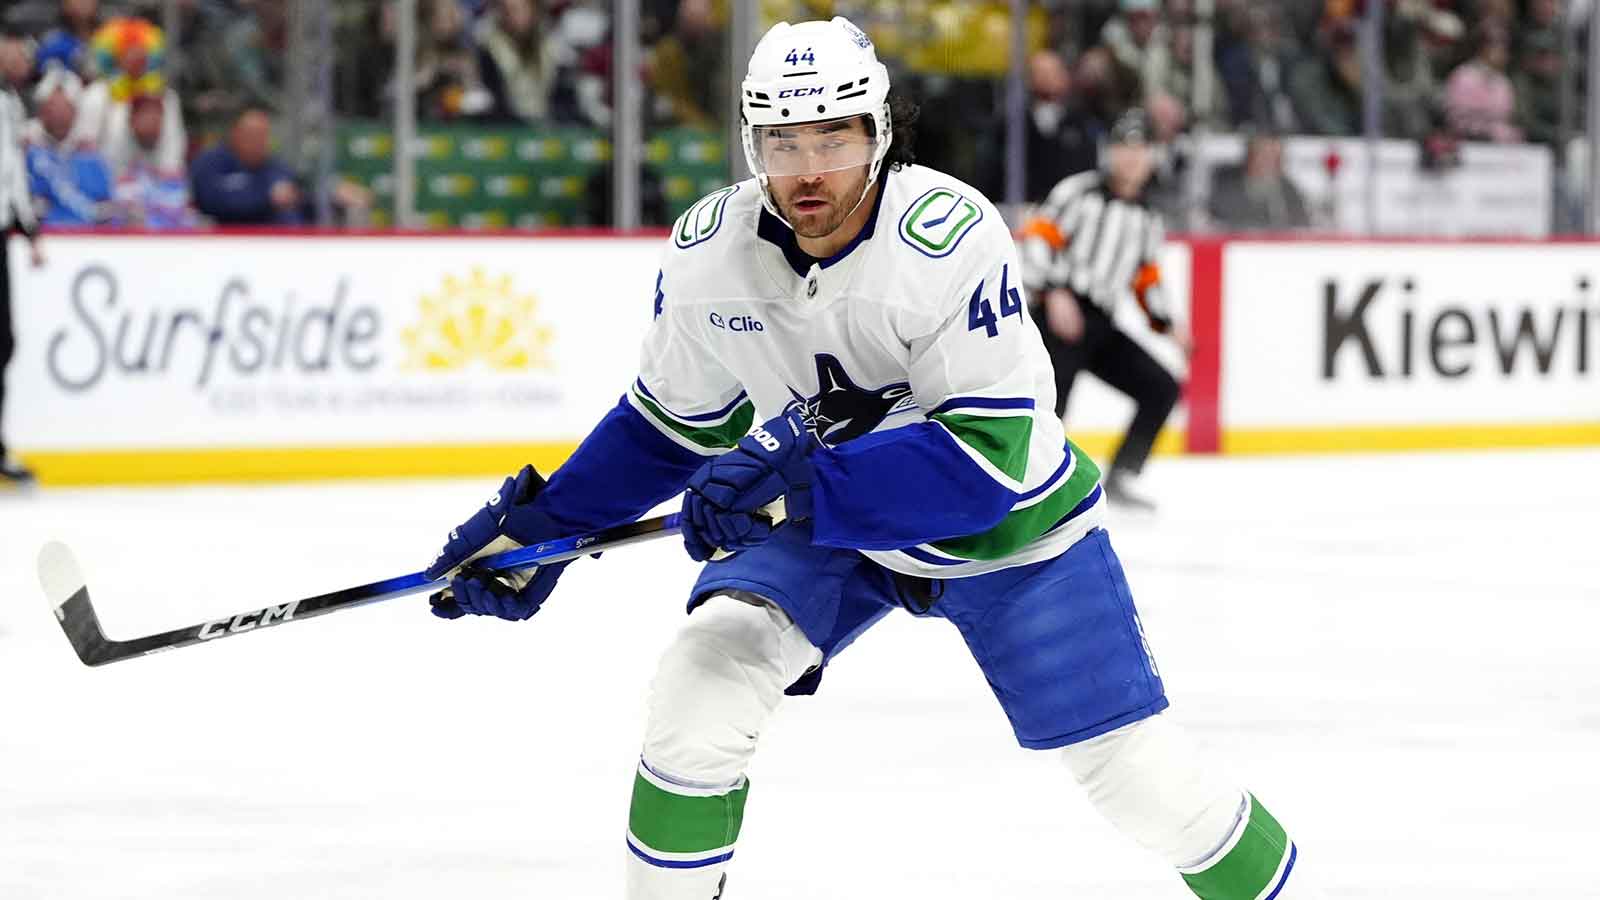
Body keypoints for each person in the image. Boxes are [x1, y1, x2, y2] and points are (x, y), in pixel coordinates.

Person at [424, 18, 1302, 900]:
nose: (807, 170)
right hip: (833, 523)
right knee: (702, 683)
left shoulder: (948, 236)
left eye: (833, 138)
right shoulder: (708, 251)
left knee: (1146, 787)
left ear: (880, 133)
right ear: (750, 142)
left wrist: (790, 483)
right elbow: (667, 430)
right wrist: (540, 530)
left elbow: (982, 467)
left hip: (1011, 537)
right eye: (781, 141)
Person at [1019, 110, 1190, 512]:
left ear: (1152, 156)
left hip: (1100, 323)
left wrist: (1169, 326)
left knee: (1161, 387)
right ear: (1109, 152)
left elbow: (1146, 278)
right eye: (1122, 148)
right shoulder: (1078, 192)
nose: (1130, 158)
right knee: (1050, 406)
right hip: (1055, 316)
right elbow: (1037, 240)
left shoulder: (1147, 216)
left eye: (1139, 149)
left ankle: (1123, 474)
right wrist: (1054, 291)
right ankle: (1031, 488)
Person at [0, 46, 44, 484]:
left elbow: (11, 171)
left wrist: (29, 229)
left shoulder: (11, 103)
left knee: (3, 343)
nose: (19, 62)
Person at [24, 66, 114, 227]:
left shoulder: (88, 149)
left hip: (84, 233)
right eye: (52, 106)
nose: (58, 114)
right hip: (41, 229)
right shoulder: (25, 143)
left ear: (75, 111)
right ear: (41, 110)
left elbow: (104, 202)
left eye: (65, 107)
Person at [189, 107, 303, 226]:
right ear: (235, 133)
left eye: (263, 135)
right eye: (252, 134)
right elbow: (211, 201)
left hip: (272, 240)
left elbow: (295, 198)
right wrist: (266, 198)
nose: (258, 141)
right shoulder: (210, 163)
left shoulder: (276, 167)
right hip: (222, 239)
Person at [1207, 129, 1311, 231]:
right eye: (1265, 157)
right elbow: (1219, 221)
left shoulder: (1288, 190)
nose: (1270, 164)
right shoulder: (1228, 190)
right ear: (1251, 157)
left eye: (1276, 158)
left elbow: (1301, 223)